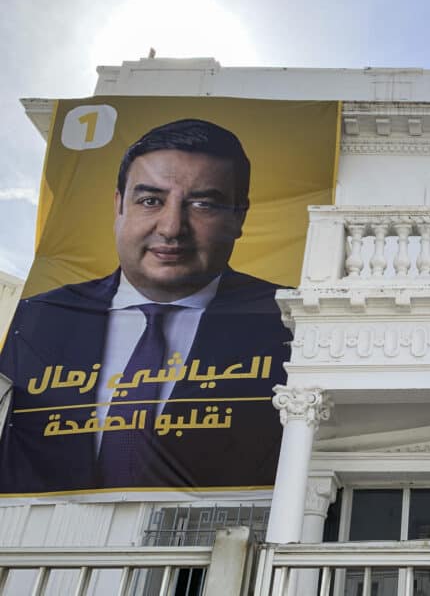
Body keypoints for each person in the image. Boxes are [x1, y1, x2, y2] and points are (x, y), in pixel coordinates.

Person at [0, 119, 291, 493]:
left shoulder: (286, 320)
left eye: (202, 204)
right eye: (150, 201)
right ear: (119, 204)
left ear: (239, 217)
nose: (172, 228)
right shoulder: (38, 318)